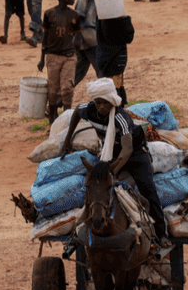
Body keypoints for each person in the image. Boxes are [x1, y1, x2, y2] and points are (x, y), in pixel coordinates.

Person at [64, 78, 173, 248]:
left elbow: (127, 150)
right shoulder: (89, 109)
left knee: (148, 189)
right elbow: (77, 111)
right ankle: (83, 230)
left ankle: (161, 233)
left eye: (105, 103)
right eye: (98, 103)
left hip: (135, 155)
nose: (101, 107)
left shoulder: (121, 118)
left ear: (112, 102)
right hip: (111, 152)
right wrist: (67, 141)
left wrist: (112, 170)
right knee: (96, 189)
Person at [40, 0, 83, 121]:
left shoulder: (74, 15)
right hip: (52, 56)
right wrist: (42, 59)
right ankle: (52, 118)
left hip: (69, 57)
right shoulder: (49, 14)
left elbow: (79, 35)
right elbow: (45, 38)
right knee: (53, 91)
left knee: (67, 89)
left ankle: (67, 119)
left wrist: (75, 47)